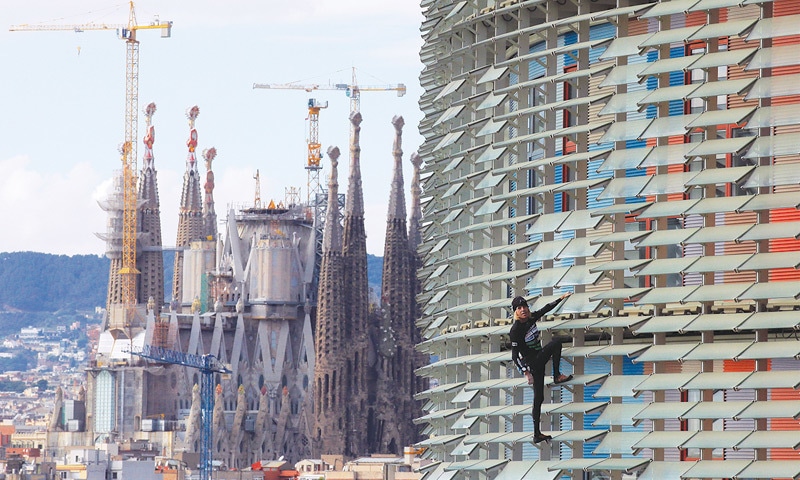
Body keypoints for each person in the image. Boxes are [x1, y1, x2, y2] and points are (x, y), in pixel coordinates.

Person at [509, 292, 573, 443]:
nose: (523, 309)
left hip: (538, 360)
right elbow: (514, 356)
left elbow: (546, 309)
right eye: (519, 308)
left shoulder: (531, 318)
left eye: (525, 306)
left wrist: (561, 298)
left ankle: (537, 434)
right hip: (533, 363)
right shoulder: (515, 330)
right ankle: (557, 375)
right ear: (515, 311)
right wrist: (525, 373)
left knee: (539, 398)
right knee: (556, 342)